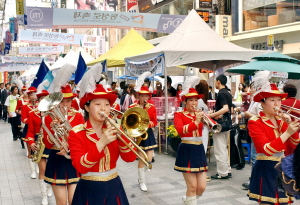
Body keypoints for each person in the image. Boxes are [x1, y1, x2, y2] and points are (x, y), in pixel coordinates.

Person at [68, 83, 137, 204]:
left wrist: (122, 137)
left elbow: (130, 158)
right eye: (97, 104)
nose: (103, 109)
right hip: (89, 188)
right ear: (87, 107)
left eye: (106, 104)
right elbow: (80, 167)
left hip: (114, 186)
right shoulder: (76, 133)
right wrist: (101, 143)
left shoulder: (115, 129)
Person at [247, 80, 299, 204]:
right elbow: (267, 149)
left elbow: (295, 143)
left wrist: (288, 124)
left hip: (282, 168)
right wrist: (287, 133)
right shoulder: (255, 122)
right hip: (265, 168)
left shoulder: (281, 120)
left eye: (279, 100)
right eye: (272, 100)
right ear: (262, 103)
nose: (277, 104)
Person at [42, 85, 84, 205]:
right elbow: (48, 144)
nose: (65, 104)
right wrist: (53, 130)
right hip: (56, 158)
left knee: (73, 200)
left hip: (73, 159)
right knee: (61, 202)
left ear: (72, 101)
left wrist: (69, 147)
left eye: (68, 101)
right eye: (62, 101)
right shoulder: (50, 117)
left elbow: (82, 139)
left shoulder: (78, 116)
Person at [174, 85, 207, 205]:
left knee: (201, 187)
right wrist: (196, 122)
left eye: (196, 100)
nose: (194, 103)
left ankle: (188, 200)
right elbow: (180, 130)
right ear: (185, 101)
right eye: (191, 100)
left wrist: (213, 123)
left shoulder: (199, 113)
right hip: (187, 149)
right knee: (192, 187)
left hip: (199, 149)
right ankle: (190, 200)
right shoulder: (179, 114)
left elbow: (210, 124)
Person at [129, 86, 157, 192]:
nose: (144, 98)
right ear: (138, 96)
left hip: (147, 133)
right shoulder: (132, 106)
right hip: (137, 134)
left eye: (146, 96)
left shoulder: (152, 107)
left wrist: (150, 124)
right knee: (141, 158)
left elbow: (155, 121)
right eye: (142, 96)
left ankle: (141, 176)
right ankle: (142, 181)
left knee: (149, 159)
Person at [26, 89, 52, 205]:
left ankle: (50, 187)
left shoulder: (54, 113)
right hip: (39, 142)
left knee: (51, 169)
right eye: (41, 99)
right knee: (42, 170)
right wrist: (31, 142)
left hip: (52, 143)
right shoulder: (33, 113)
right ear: (38, 101)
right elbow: (30, 131)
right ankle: (44, 196)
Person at [207, 75, 233, 179]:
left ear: (218, 81)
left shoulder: (221, 93)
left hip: (220, 125)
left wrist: (211, 115)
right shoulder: (228, 92)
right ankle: (227, 169)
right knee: (224, 148)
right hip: (227, 123)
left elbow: (225, 108)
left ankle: (222, 173)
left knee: (220, 149)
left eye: (215, 82)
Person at [22, 86, 39, 179]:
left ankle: (37, 167)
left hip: (39, 131)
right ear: (28, 96)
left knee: (39, 151)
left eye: (34, 94)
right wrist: (31, 120)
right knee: (31, 151)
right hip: (29, 129)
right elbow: (24, 118)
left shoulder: (39, 106)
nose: (33, 96)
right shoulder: (25, 106)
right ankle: (32, 171)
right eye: (31, 95)